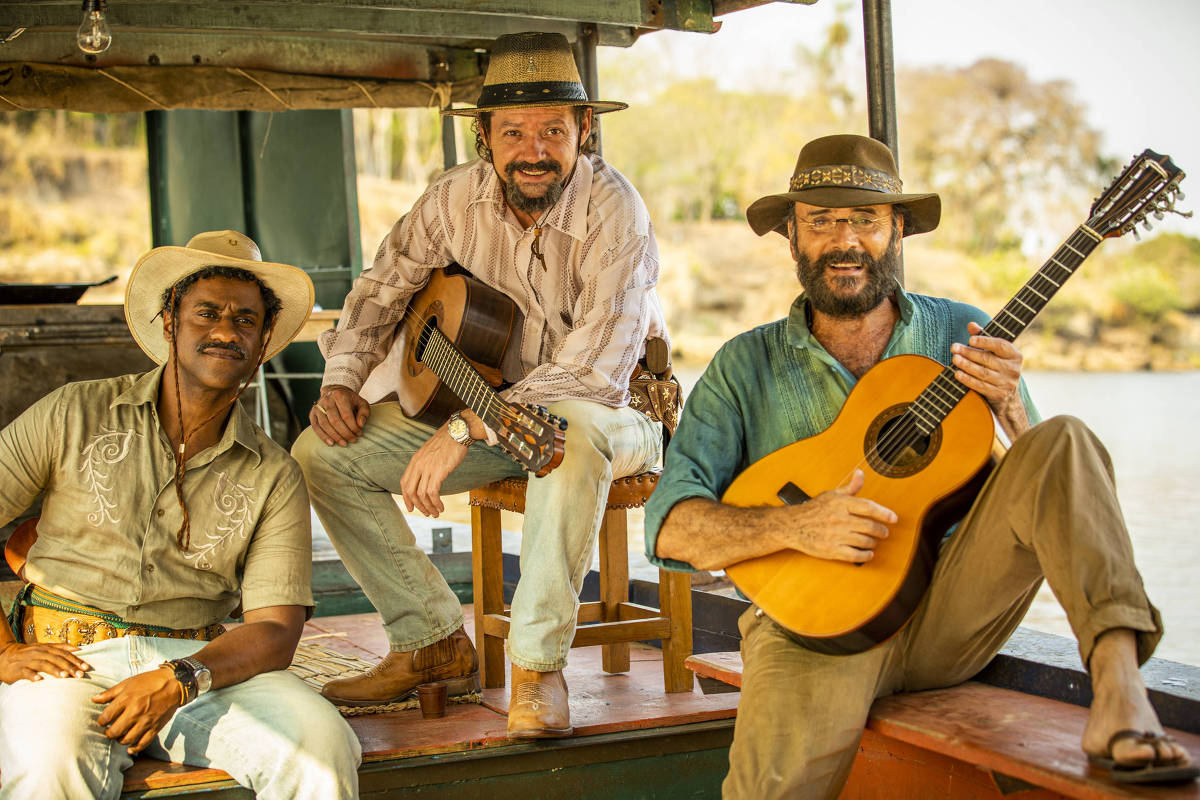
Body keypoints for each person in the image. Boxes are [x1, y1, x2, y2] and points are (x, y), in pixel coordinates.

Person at [646, 135, 1197, 797]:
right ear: (791, 237)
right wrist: (794, 528)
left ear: (897, 231)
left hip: (952, 613)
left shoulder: (964, 334)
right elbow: (668, 527)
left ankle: (1120, 694)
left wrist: (1011, 414)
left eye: (866, 220)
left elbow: (1045, 485)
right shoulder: (745, 365)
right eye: (820, 221)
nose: (844, 239)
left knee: (1064, 439)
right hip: (814, 629)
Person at [291, 31, 669, 739]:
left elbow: (591, 375)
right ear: (484, 138)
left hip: (617, 415)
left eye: (554, 130)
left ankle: (537, 667)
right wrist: (342, 380)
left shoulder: (618, 212)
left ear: (584, 132)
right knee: (321, 456)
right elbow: (381, 290)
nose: (534, 151)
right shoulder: (452, 199)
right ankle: (433, 643)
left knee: (566, 435)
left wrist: (462, 427)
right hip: (493, 417)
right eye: (514, 132)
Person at [0, 231, 361, 799]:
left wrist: (179, 678)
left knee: (320, 747)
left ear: (264, 337)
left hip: (199, 667)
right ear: (169, 321)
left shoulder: (273, 473)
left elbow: (273, 629)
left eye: (246, 319)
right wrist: (4, 650)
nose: (226, 330)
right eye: (207, 313)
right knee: (49, 762)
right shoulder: (75, 411)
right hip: (68, 660)